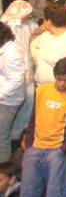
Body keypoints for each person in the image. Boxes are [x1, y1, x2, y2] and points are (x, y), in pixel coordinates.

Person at [20, 57, 66, 197]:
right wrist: (28, 140)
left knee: (54, 192)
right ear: (55, 75)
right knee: (27, 191)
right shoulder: (42, 90)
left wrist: (63, 148)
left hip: (56, 151)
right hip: (34, 147)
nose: (62, 83)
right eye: (60, 78)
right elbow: (33, 117)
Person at [0, 21, 26, 164]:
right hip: (4, 95)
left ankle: (3, 170)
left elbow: (16, 80)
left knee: (1, 136)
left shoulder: (12, 51)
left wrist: (1, 94)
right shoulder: (5, 47)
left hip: (8, 100)